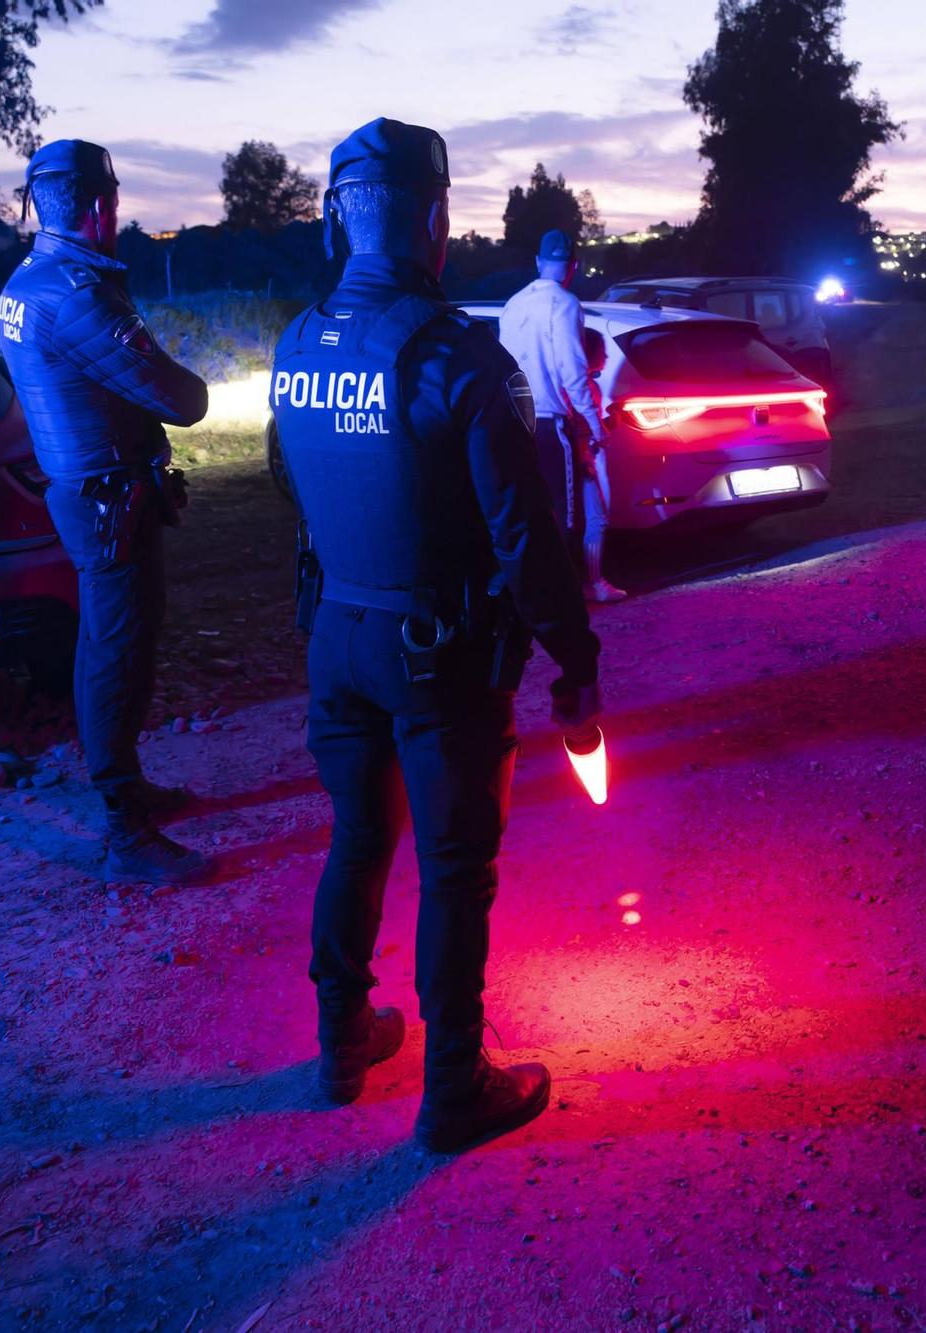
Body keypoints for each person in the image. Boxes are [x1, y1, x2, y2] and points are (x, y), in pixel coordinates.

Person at [272, 118, 603, 1153]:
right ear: (436, 223)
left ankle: (340, 1044)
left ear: (336, 222)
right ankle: (453, 1088)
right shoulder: (459, 359)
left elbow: (297, 492)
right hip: (437, 655)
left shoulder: (293, 347)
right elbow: (525, 533)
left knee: (357, 838)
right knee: (454, 869)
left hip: (336, 638)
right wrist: (575, 661)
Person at [0, 139, 213, 886]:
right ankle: (127, 828)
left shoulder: (25, 282)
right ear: (98, 208)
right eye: (114, 205)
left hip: (86, 493)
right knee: (117, 652)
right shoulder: (79, 292)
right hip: (108, 499)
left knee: (110, 642)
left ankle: (128, 787)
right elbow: (181, 399)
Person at [498, 228, 609, 592]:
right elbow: (572, 371)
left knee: (527, 512)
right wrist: (594, 423)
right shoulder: (565, 304)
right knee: (564, 513)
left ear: (537, 262)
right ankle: (563, 596)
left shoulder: (513, 305)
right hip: (549, 424)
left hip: (514, 424)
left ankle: (528, 592)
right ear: (572, 267)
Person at [577, 326, 626, 602]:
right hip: (583, 460)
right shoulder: (583, 388)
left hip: (583, 458)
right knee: (596, 519)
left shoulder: (585, 385)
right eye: (602, 352)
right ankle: (594, 583)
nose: (606, 358)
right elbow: (582, 428)